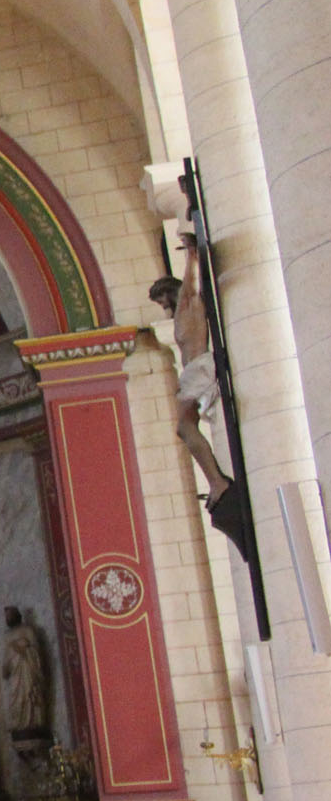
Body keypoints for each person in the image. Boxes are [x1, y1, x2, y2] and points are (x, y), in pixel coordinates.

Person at [150, 234, 255, 561]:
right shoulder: (182, 311)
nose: (164, 309)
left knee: (183, 427)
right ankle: (216, 480)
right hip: (194, 371)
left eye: (162, 302)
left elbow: (191, 286)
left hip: (198, 368)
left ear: (170, 294)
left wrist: (192, 254)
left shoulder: (187, 303)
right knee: (183, 427)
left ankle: (218, 481)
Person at [0, 605, 49, 739]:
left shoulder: (27, 630)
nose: (7, 618)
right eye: (6, 616)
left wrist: (23, 648)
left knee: (29, 696)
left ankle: (34, 724)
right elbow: (6, 657)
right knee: (17, 700)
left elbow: (36, 651)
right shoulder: (7, 635)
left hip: (28, 670)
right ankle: (19, 725)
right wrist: (5, 667)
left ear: (17, 615)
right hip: (15, 675)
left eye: (9, 615)